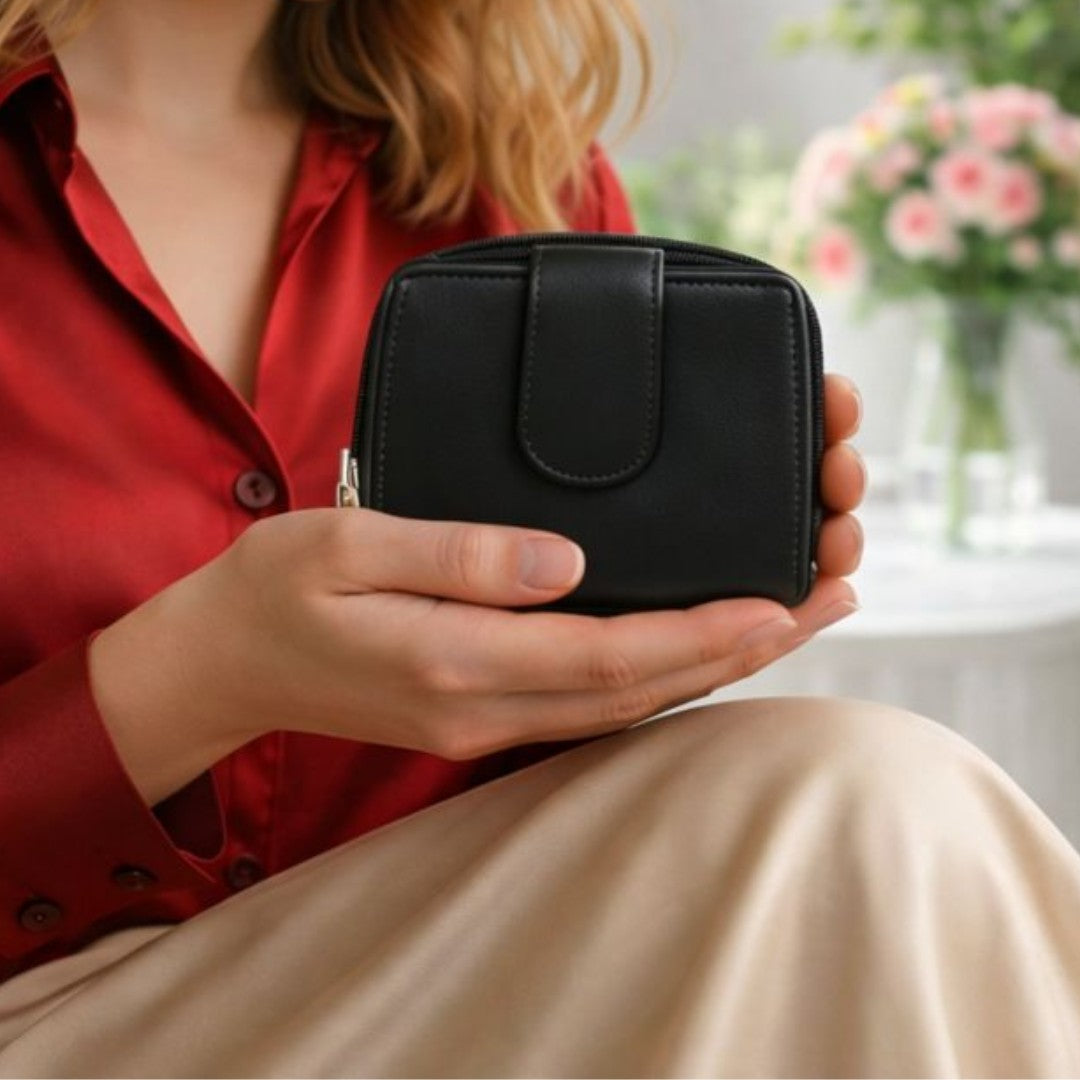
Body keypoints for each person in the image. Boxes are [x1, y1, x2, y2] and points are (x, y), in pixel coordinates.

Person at [1, 0, 1079, 1075]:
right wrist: (197, 681)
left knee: (867, 804)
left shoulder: (516, 181)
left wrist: (640, 654)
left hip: (459, 974)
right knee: (854, 794)